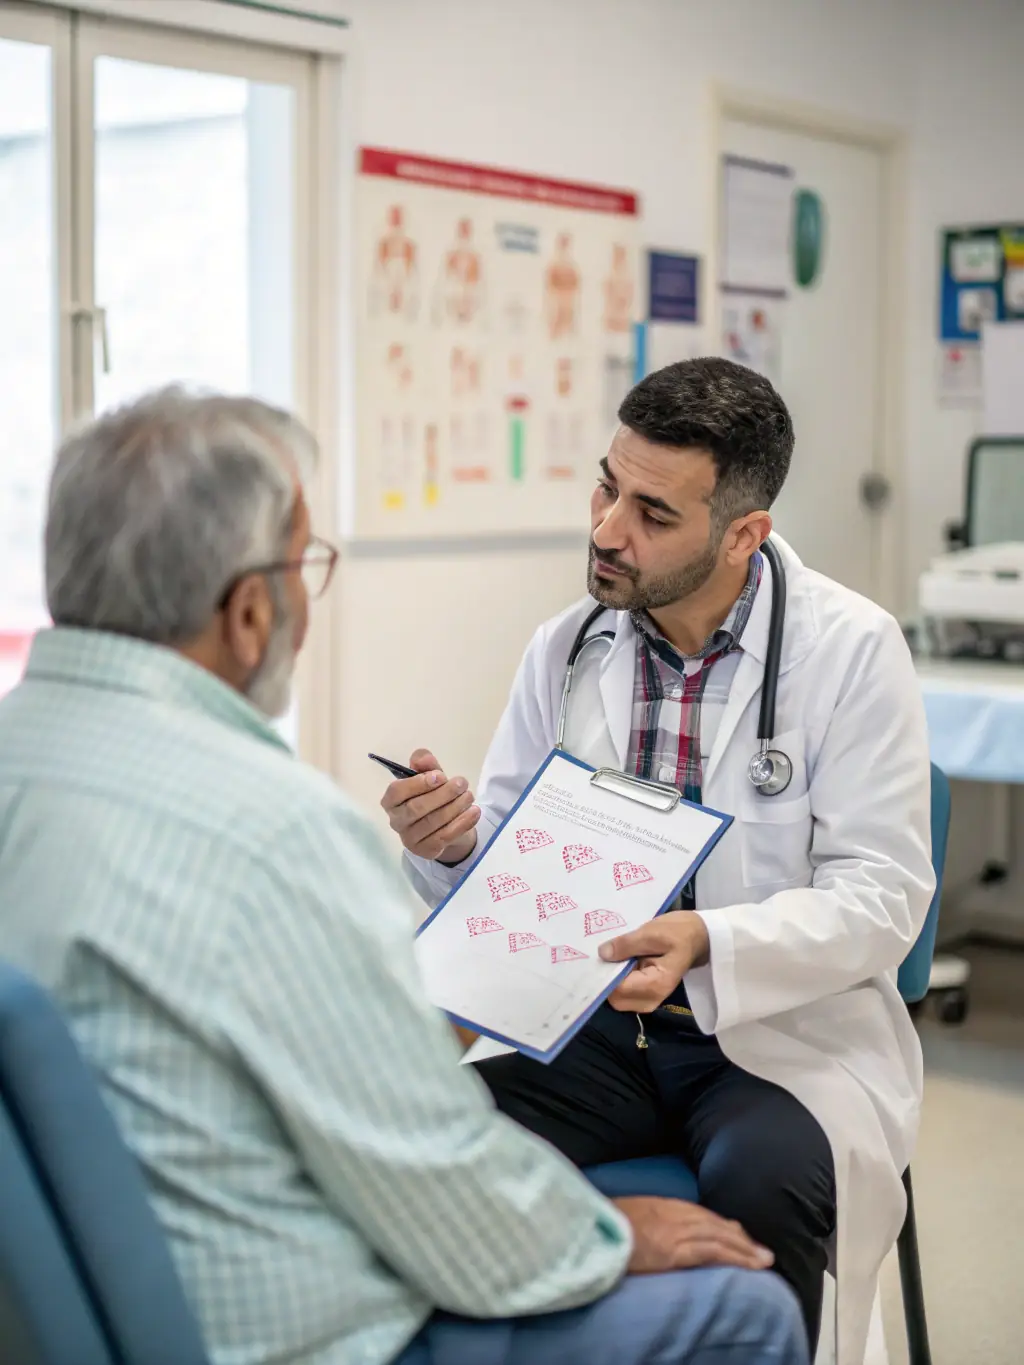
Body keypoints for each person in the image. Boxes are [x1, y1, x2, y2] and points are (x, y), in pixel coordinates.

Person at [0, 387, 807, 1365]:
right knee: (745, 1309)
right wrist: (607, 1238)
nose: (610, 529)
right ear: (251, 612)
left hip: (73, 1294)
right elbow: (432, 1183)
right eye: (305, 567)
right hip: (279, 1321)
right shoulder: (277, 830)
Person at [383, 358, 936, 1365]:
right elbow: (516, 864)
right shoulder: (568, 647)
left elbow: (882, 895)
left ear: (742, 534)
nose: (604, 528)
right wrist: (455, 845)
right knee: (422, 1137)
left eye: (650, 511)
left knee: (762, 1188)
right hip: (589, 1028)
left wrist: (708, 939)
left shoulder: (853, 651)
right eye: (605, 485)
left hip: (772, 1043)